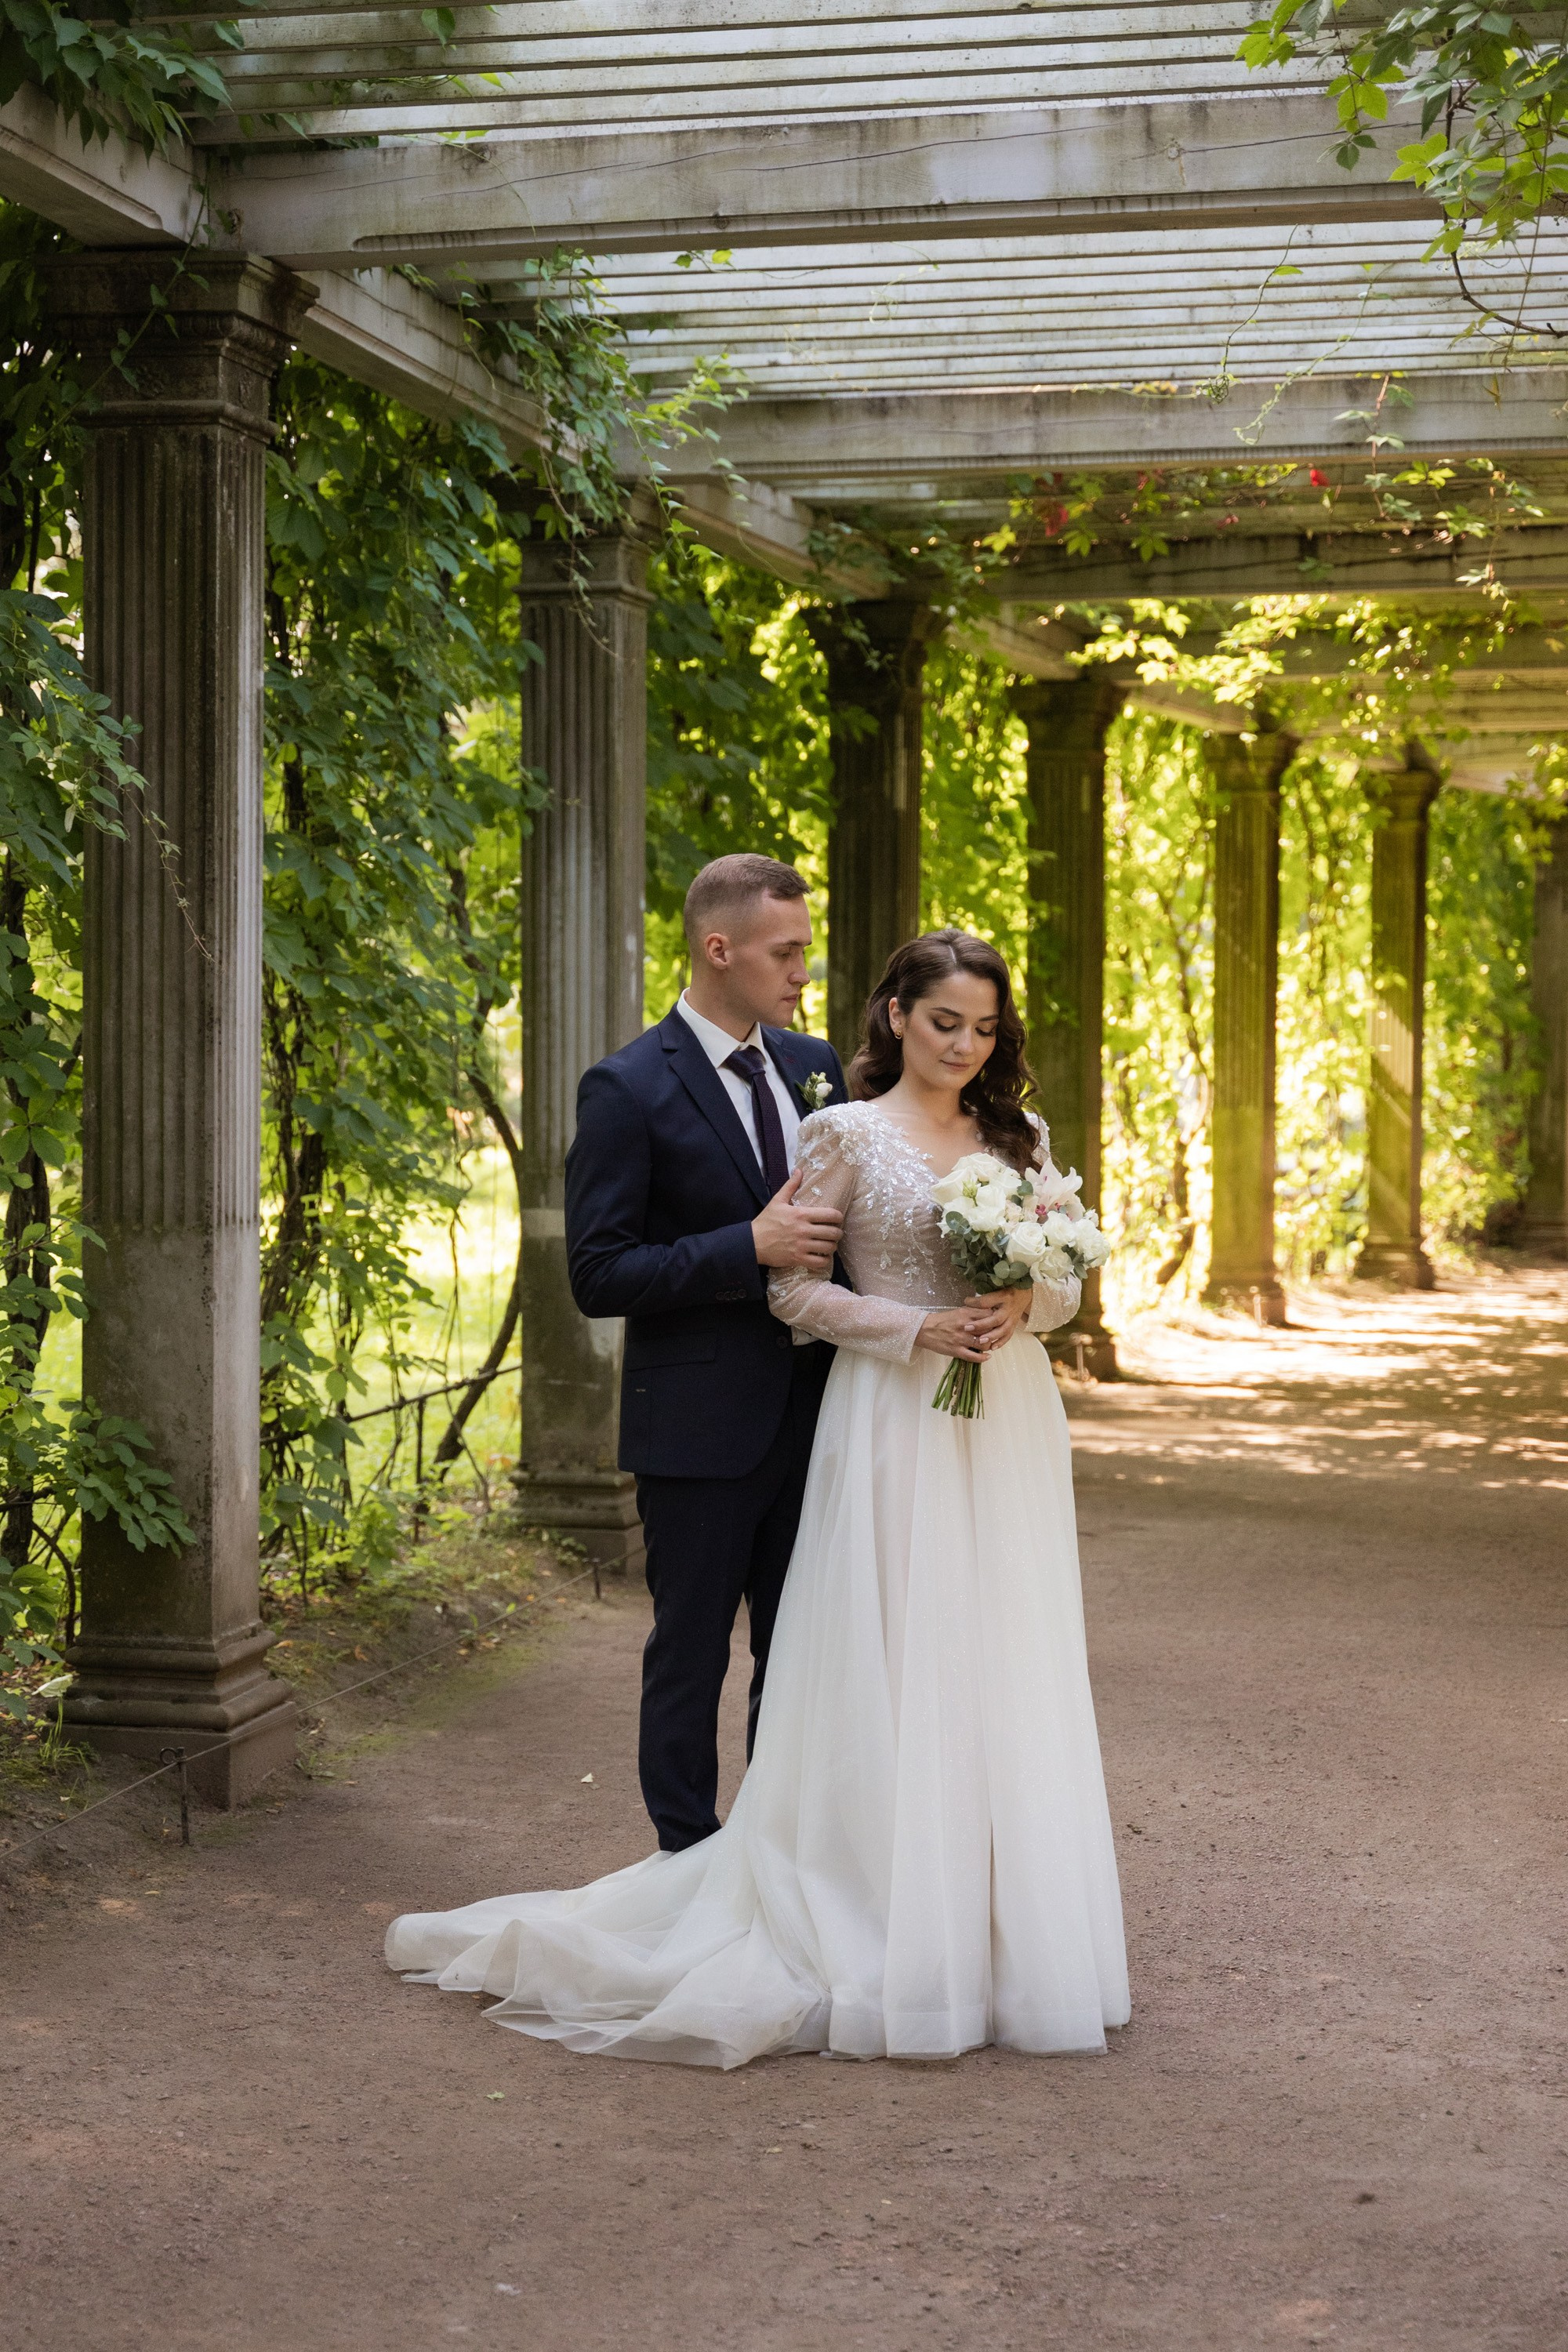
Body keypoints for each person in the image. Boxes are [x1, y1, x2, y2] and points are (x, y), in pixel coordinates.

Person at [387, 929, 1130, 2066]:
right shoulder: (841, 1132)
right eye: (945, 1023)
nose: (966, 1047)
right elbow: (793, 1293)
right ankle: (875, 1913)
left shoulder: (1017, 1137)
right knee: (895, 1651)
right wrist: (916, 1328)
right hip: (892, 1416)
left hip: (1008, 1422)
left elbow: (1069, 1277)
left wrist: (1028, 1303)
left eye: (985, 1029)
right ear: (896, 1016)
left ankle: (1000, 1932)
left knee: (998, 1655)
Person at [565, 853, 846, 1852]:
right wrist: (745, 1248)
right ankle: (685, 1859)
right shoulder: (627, 1088)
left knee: (799, 1654)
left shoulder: (815, 1066)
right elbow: (598, 1273)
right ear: (718, 949)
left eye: (805, 950)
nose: (803, 971)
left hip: (822, 1413)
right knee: (689, 1655)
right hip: (695, 1429)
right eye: (785, 952)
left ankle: (772, 1851)